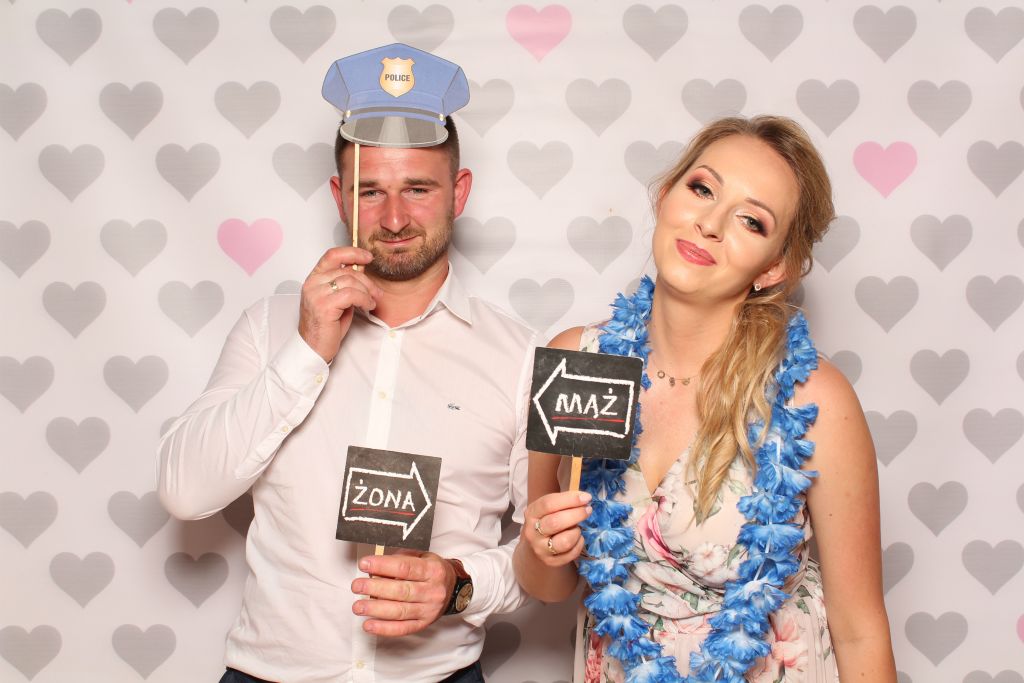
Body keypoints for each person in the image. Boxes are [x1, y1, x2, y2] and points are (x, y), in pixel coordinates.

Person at [158, 44, 536, 683]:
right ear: (339, 196)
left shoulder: (521, 355)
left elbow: (544, 552)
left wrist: (460, 583)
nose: (394, 218)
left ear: (459, 192)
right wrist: (307, 350)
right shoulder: (268, 327)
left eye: (418, 189)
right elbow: (184, 492)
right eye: (371, 190)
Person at [513, 116, 897, 682]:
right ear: (666, 195)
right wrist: (539, 546)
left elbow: (860, 629)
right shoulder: (580, 361)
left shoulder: (812, 399)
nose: (710, 224)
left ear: (775, 266)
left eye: (751, 220)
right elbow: (549, 587)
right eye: (702, 189)